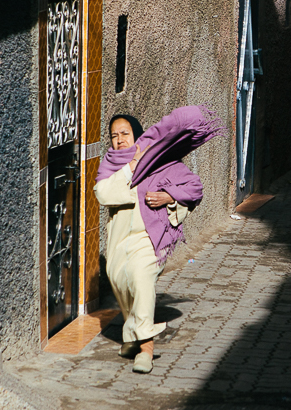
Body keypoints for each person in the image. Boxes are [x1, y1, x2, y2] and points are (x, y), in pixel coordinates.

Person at [94, 107, 224, 374]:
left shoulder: (161, 161)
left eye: (125, 133)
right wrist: (131, 167)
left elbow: (194, 187)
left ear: (137, 136)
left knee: (141, 279)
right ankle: (133, 337)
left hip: (151, 238)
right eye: (114, 135)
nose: (119, 139)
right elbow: (104, 194)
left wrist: (168, 197)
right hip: (119, 238)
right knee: (120, 281)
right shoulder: (111, 164)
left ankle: (146, 349)